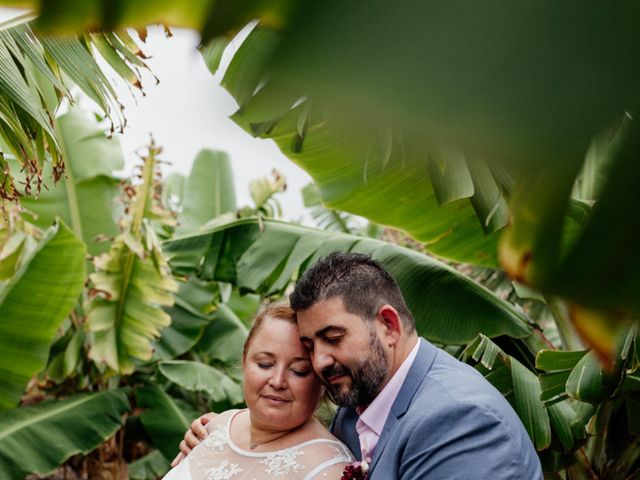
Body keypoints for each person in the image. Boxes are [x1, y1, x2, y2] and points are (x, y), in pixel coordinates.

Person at [179, 252, 543, 479]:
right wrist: (222, 443)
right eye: (310, 345)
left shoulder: (460, 420)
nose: (320, 361)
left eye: (334, 338)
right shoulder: (357, 400)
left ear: (388, 325)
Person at [164, 302, 354, 480]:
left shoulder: (330, 468)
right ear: (244, 361)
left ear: (321, 381)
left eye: (299, 371)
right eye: (265, 364)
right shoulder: (214, 426)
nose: (278, 381)